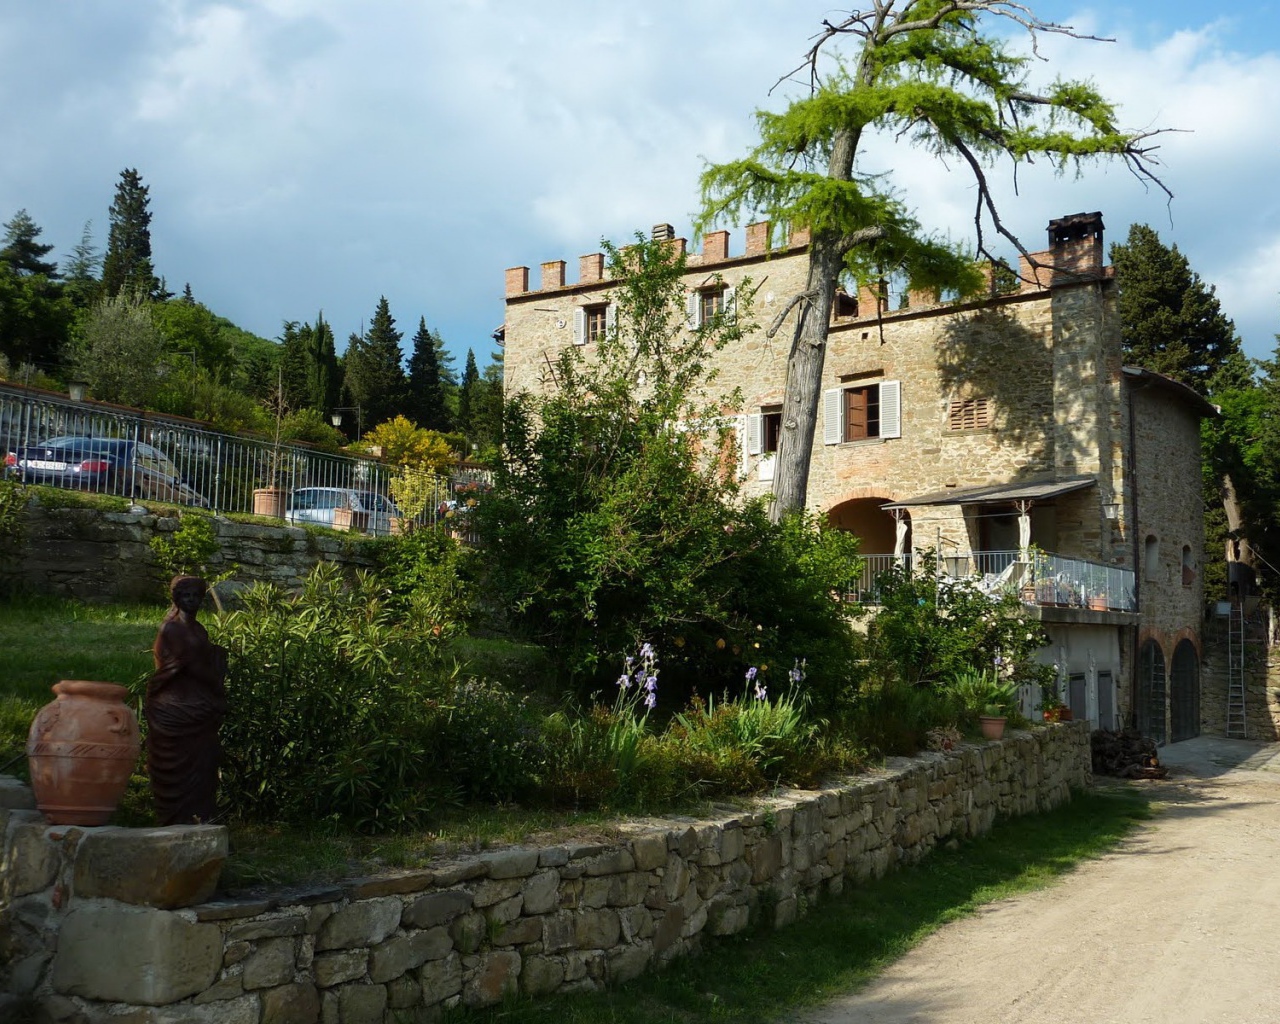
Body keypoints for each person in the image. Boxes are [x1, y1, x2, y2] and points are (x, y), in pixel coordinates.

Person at [145, 575, 228, 825]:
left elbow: (201, 661)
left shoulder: (198, 628)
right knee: (184, 770)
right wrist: (217, 686)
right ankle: (176, 819)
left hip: (197, 705)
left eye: (196, 596)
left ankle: (200, 817)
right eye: (185, 596)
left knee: (204, 767)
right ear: (176, 598)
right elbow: (191, 667)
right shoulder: (172, 628)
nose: (191, 600)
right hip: (177, 709)